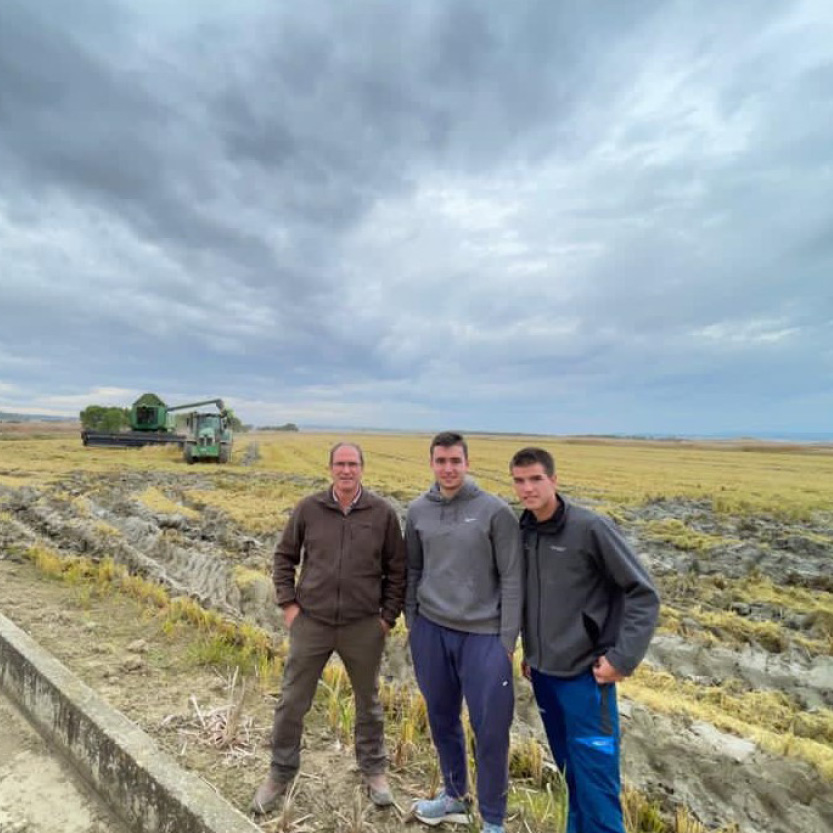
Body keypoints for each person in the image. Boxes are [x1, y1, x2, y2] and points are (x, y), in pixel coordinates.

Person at [251, 442, 407, 814]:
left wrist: (386, 618)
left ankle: (373, 770)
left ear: (362, 469)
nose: (346, 470)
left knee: (368, 703)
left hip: (362, 626)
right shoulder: (309, 508)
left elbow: (397, 569)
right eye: (340, 464)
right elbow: (284, 557)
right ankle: (280, 772)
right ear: (330, 469)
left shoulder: (382, 513)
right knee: (292, 701)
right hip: (312, 623)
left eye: (353, 464)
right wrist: (289, 606)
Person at [509, 447, 659, 833]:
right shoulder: (523, 531)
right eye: (520, 481)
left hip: (587, 679)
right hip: (543, 675)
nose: (528, 489)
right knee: (570, 775)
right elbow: (533, 597)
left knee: (597, 784)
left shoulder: (590, 528)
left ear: (554, 480)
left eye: (536, 479)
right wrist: (531, 650)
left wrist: (622, 659)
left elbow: (642, 593)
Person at [406, 431, 521, 833]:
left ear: (467, 463)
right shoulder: (418, 510)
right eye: (441, 461)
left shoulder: (494, 512)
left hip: (484, 637)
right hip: (432, 631)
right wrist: (413, 625)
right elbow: (414, 571)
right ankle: (455, 796)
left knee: (490, 729)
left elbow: (512, 578)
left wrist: (507, 640)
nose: (448, 468)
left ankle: (492, 820)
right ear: (432, 464)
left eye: (455, 460)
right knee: (441, 718)